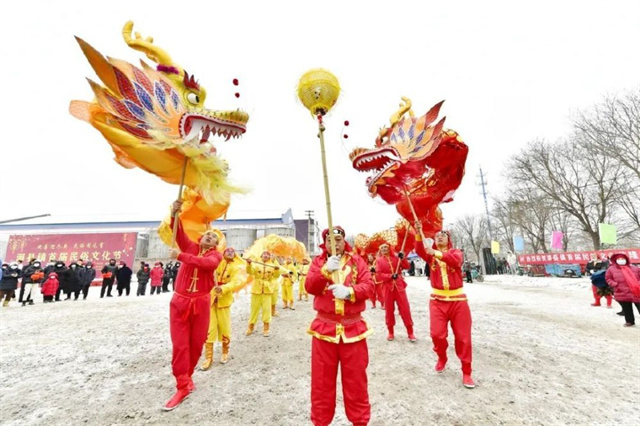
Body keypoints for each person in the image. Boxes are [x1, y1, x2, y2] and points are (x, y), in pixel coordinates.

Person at [305, 226, 374, 426]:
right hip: (324, 329)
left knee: (356, 383)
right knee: (321, 384)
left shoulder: (357, 262)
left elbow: (369, 286)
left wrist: (349, 292)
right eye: (329, 240)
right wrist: (325, 271)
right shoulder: (318, 262)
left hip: (353, 330)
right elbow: (310, 287)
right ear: (324, 243)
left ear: (344, 242)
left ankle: (360, 422)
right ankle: (320, 422)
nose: (334, 244)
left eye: (338, 240)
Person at [162, 199, 222, 411]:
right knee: (180, 345)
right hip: (180, 302)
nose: (210, 236)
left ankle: (188, 377)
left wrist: (180, 256)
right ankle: (183, 384)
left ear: (215, 244)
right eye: (209, 234)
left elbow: (207, 264)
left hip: (201, 303)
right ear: (202, 236)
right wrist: (174, 213)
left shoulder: (216, 255)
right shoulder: (190, 246)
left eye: (214, 237)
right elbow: (177, 232)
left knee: (196, 344)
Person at [414, 228, 476, 389]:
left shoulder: (456, 252)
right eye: (437, 236)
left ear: (449, 239)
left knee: (463, 338)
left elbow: (455, 261)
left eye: (443, 235)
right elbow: (419, 249)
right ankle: (442, 356)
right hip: (437, 300)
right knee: (437, 334)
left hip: (458, 301)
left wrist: (436, 253)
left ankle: (467, 371)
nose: (440, 237)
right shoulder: (430, 254)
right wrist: (417, 231)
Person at [201, 247, 245, 369]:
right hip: (210, 298)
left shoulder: (237, 267)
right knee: (209, 328)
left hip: (224, 300)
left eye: (232, 251)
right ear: (223, 253)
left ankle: (225, 352)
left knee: (225, 327)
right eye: (227, 251)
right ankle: (208, 357)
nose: (230, 252)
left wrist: (224, 288)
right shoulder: (217, 262)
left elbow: (236, 282)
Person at [376, 243, 416, 342]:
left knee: (405, 309)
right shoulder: (379, 261)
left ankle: (410, 332)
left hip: (399, 287)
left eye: (386, 247)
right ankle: (390, 332)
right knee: (389, 310)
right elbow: (379, 275)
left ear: (389, 248)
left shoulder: (397, 258)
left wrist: (403, 258)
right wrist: (390, 276)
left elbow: (407, 267)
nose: (384, 249)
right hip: (387, 288)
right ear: (380, 250)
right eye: (382, 248)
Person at [244, 251, 280, 337]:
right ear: (261, 255)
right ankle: (251, 327)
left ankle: (266, 328)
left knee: (266, 310)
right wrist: (249, 264)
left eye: (268, 255)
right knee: (254, 309)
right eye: (264, 254)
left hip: (267, 290)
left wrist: (277, 269)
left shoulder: (272, 265)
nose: (266, 255)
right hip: (256, 289)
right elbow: (250, 271)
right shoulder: (256, 264)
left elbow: (276, 276)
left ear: (269, 257)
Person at [605, 253, 640, 327]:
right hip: (621, 291)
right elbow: (608, 278)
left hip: (636, 291)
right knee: (626, 308)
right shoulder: (611, 269)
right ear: (615, 260)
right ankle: (630, 321)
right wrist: (615, 284)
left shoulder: (635, 268)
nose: (621, 261)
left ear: (626, 260)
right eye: (619, 259)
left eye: (623, 259)